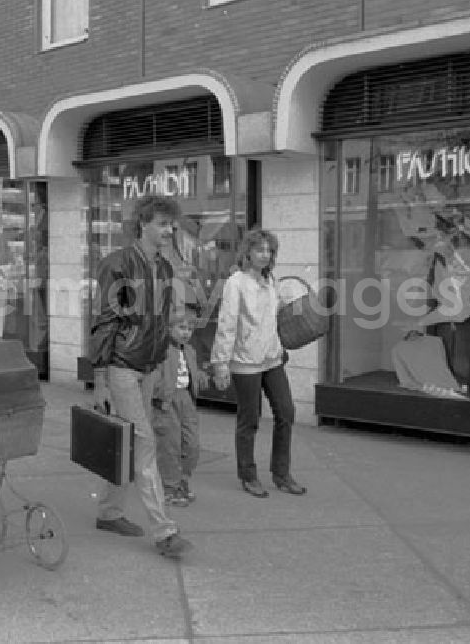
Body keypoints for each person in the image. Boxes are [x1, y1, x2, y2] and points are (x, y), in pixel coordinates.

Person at [89, 195, 193, 560]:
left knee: (128, 441)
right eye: (162, 224)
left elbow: (161, 323)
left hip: (147, 366)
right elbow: (105, 322)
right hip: (121, 366)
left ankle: (109, 512)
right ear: (143, 224)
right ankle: (165, 531)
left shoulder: (164, 269)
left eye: (171, 224)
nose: (169, 230)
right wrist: (99, 379)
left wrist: (169, 357)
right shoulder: (116, 264)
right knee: (145, 441)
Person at [211, 228, 307, 498]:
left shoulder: (270, 281)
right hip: (245, 361)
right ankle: (248, 475)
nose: (265, 255)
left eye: (269, 251)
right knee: (249, 419)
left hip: (272, 358)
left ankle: (281, 473)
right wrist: (220, 363)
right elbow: (227, 324)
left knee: (286, 412)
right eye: (260, 250)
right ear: (248, 252)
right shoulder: (236, 282)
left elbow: (275, 318)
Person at [152, 311, 208, 507]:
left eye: (190, 329)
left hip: (186, 398)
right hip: (166, 400)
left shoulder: (190, 351)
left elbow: (193, 372)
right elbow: (153, 375)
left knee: (191, 444)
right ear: (169, 329)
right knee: (169, 445)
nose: (186, 333)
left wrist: (200, 377)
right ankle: (169, 488)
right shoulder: (160, 350)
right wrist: (158, 391)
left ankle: (181, 480)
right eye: (182, 328)